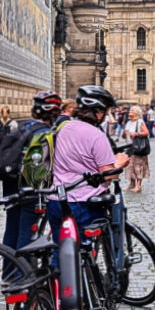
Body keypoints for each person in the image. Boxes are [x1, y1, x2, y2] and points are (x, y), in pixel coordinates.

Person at [47, 85, 130, 239]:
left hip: (57, 199)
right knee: (83, 250)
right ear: (98, 112)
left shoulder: (64, 129)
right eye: (106, 112)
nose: (106, 115)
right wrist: (120, 163)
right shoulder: (96, 136)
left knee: (61, 252)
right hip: (83, 202)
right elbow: (107, 174)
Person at [0, 91, 62, 253]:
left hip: (11, 182)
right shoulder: (44, 133)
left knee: (11, 227)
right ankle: (23, 274)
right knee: (27, 230)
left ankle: (9, 271)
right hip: (30, 188)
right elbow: (39, 166)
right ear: (53, 112)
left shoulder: (24, 126)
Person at [121, 105, 150, 192]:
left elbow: (146, 132)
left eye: (131, 110)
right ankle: (132, 183)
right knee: (130, 166)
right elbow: (124, 136)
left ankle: (138, 185)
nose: (130, 112)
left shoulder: (140, 122)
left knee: (138, 166)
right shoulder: (128, 123)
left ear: (136, 112)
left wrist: (136, 134)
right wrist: (124, 133)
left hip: (138, 147)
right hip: (129, 146)